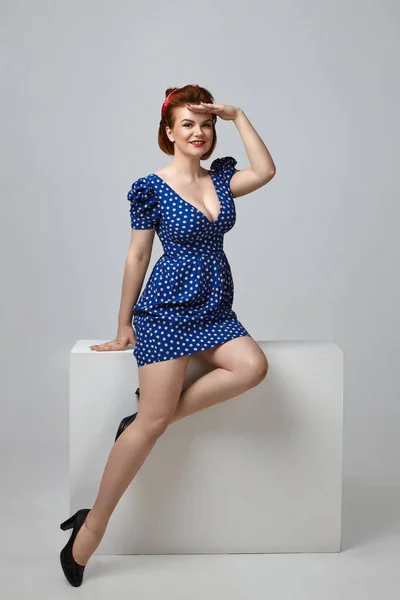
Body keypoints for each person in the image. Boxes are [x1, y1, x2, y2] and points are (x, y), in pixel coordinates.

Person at [59, 84, 276, 586]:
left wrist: (238, 114)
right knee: (153, 426)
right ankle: (88, 531)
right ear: (168, 132)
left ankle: (143, 417)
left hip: (215, 308)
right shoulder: (150, 188)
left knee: (252, 367)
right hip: (166, 311)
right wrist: (123, 326)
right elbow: (137, 257)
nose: (198, 133)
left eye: (205, 125)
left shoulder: (222, 179)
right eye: (187, 125)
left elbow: (264, 171)